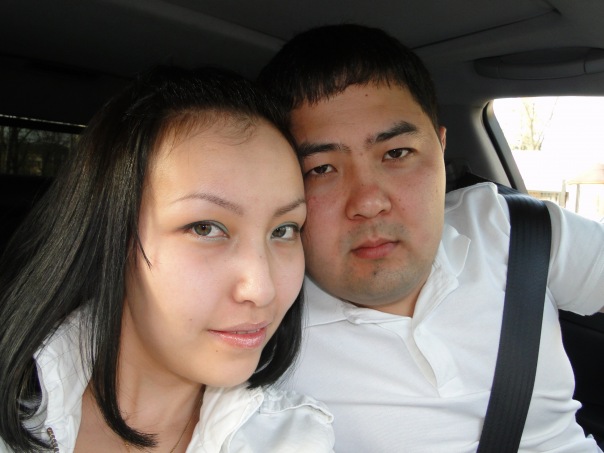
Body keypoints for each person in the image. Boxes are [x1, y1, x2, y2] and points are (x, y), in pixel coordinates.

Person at [258, 24, 604, 452]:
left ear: (441, 149)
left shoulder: (516, 227)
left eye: (396, 153)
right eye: (320, 169)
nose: (368, 202)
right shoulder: (253, 331)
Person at [0, 66, 334, 452]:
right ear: (112, 235)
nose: (262, 290)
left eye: (284, 230)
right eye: (205, 228)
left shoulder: (297, 439)